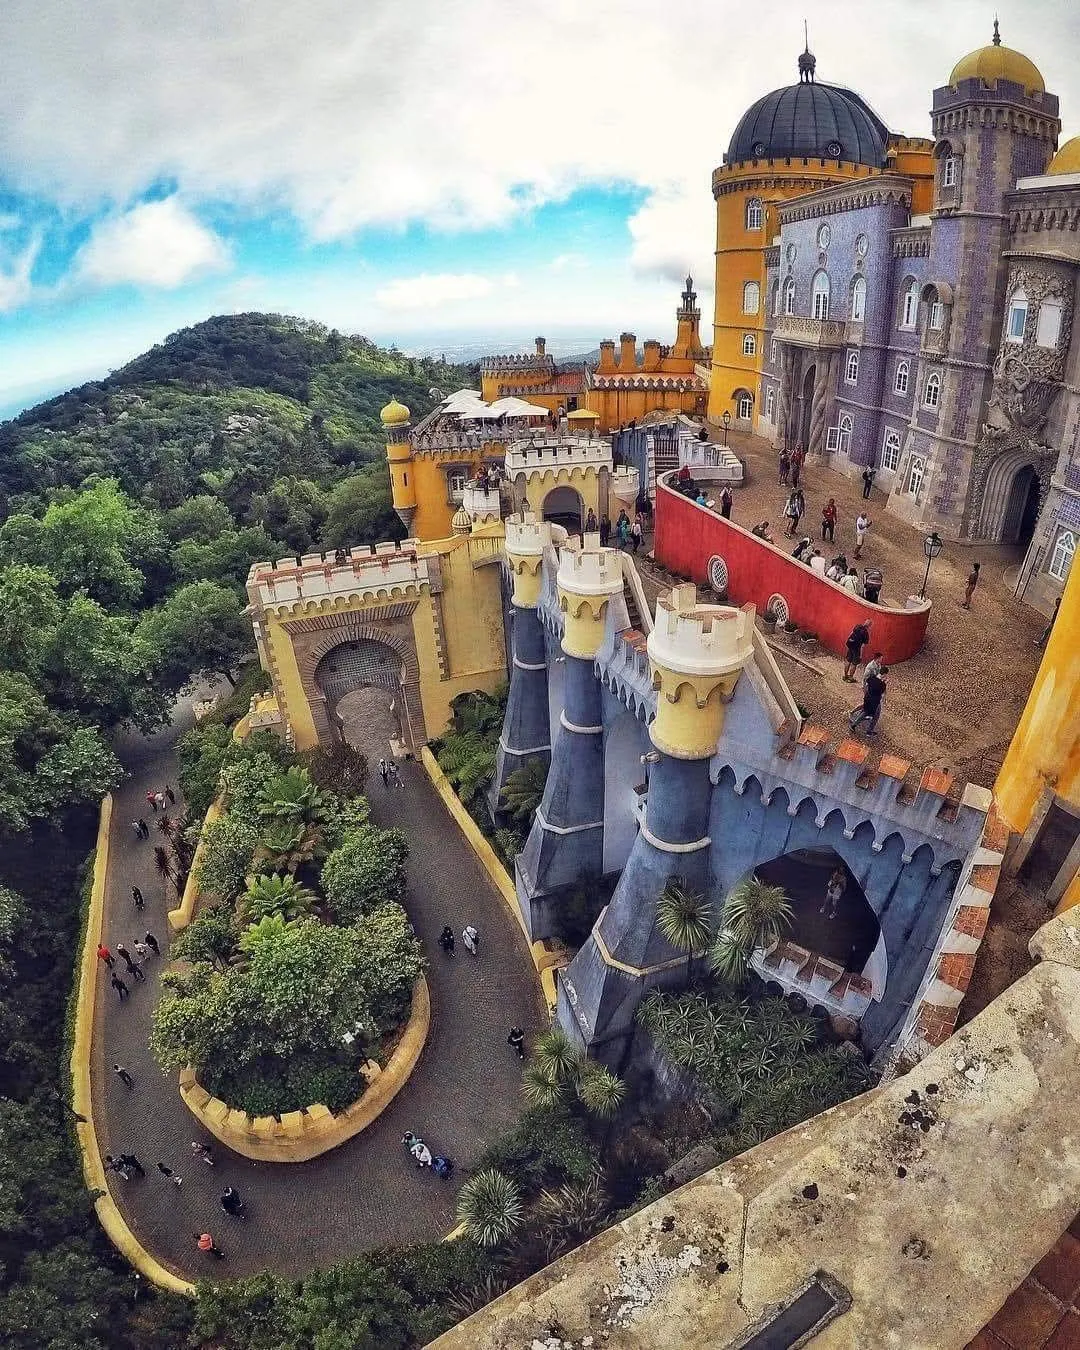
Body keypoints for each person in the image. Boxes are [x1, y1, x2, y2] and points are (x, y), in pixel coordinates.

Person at [850, 665, 888, 735]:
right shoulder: (882, 684)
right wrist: (884, 683)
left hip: (868, 698)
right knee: (876, 716)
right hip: (875, 701)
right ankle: (869, 731)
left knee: (865, 711)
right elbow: (882, 692)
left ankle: (854, 724)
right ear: (885, 674)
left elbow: (867, 684)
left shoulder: (872, 678)